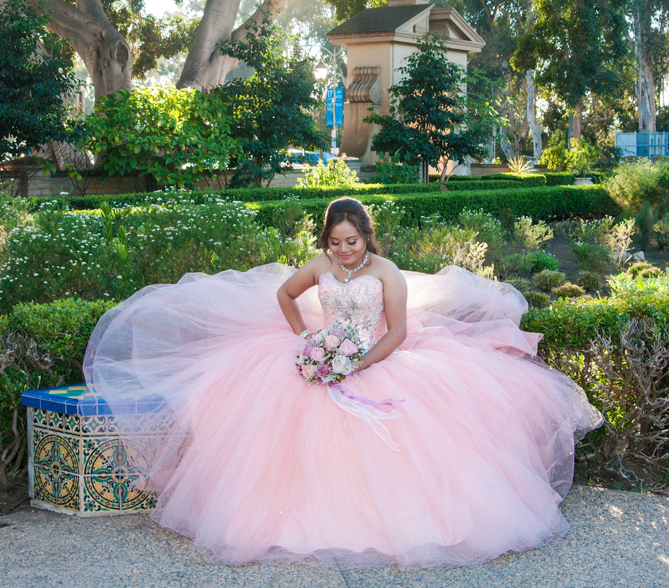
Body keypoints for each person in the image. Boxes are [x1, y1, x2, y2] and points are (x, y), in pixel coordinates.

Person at [83, 197, 603, 568]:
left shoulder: (387, 273)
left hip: (374, 358)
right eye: (336, 242)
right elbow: (286, 296)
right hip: (322, 350)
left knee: (398, 441)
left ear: (367, 237)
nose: (345, 250)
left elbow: (397, 331)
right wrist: (306, 341)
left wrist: (357, 365)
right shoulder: (321, 266)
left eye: (352, 242)